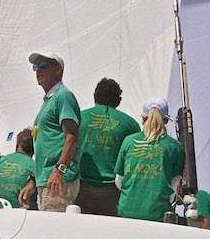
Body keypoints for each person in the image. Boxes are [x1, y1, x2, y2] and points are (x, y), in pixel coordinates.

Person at [18, 51, 81, 212]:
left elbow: (72, 137)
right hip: (47, 179)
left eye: (44, 65)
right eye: (35, 67)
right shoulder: (49, 101)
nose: (38, 70)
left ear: (58, 69)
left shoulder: (63, 96)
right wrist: (33, 180)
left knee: (52, 235)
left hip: (57, 180)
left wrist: (59, 171)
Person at [114, 97, 184, 222]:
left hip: (127, 211)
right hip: (158, 213)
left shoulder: (129, 141)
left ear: (143, 119)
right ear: (166, 120)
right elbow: (175, 186)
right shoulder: (175, 147)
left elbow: (119, 181)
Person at [77, 78, 140, 215]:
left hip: (81, 188)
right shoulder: (131, 125)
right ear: (118, 100)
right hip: (114, 193)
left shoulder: (79, 118)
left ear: (95, 95)